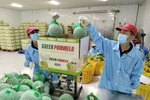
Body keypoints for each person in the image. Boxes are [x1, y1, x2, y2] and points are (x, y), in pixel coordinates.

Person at [79, 16, 143, 93]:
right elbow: (98, 38)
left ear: (132, 37)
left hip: (123, 90)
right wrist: (89, 25)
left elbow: (136, 74)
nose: (121, 34)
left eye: (125, 32)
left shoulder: (137, 55)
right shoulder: (110, 46)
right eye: (120, 32)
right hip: (105, 87)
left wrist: (134, 87)